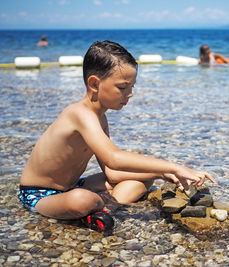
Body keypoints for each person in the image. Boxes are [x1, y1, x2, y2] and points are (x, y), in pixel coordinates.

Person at [19, 40, 215, 232]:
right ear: (94, 84)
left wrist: (162, 174)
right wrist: (175, 167)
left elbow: (111, 172)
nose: (129, 94)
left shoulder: (100, 119)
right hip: (39, 194)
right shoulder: (78, 113)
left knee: (144, 179)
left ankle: (100, 211)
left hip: (72, 186)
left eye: (132, 87)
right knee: (82, 199)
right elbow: (114, 158)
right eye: (122, 87)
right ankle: (97, 206)